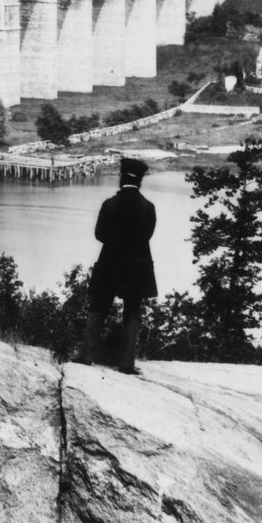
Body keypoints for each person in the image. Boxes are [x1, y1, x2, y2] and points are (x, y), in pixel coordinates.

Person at [78, 157, 158, 373]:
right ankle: (127, 363)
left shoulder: (109, 204)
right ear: (139, 182)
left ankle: (86, 357)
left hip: (110, 262)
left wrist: (116, 242)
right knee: (132, 312)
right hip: (137, 265)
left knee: (98, 309)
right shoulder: (148, 207)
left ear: (121, 179)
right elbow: (147, 236)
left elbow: (99, 234)